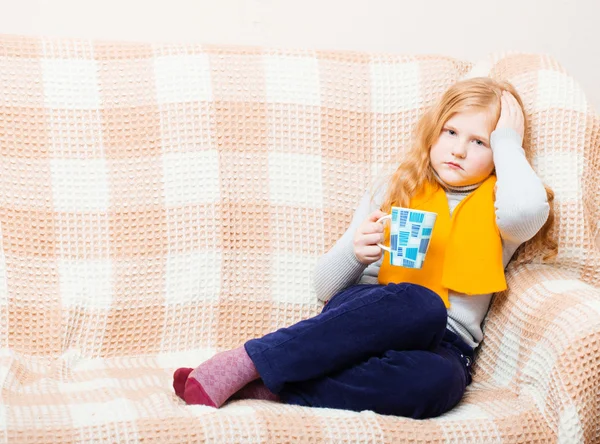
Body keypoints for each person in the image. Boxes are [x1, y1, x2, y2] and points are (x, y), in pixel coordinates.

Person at [172, 77, 557, 419]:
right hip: (366, 318)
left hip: (446, 342)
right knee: (421, 304)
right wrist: (355, 254)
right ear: (433, 132)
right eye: (450, 132)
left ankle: (277, 386)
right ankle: (249, 360)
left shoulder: (501, 208)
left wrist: (508, 140)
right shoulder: (397, 185)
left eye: (480, 142)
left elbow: (526, 210)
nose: (458, 150)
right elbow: (324, 288)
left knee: (440, 382)